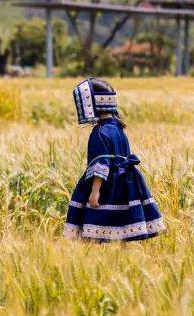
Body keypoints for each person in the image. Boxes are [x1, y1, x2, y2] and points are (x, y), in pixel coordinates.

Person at [64, 78, 165, 242]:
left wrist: (95, 192)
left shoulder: (99, 132)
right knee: (121, 232)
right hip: (125, 185)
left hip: (106, 187)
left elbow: (101, 165)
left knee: (96, 232)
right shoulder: (119, 129)